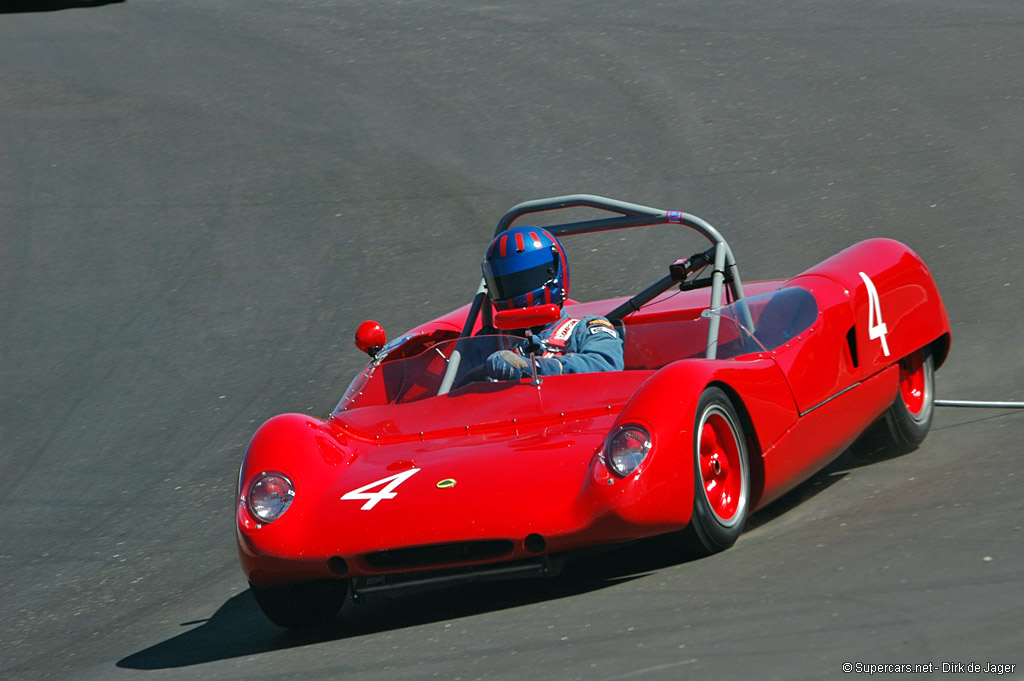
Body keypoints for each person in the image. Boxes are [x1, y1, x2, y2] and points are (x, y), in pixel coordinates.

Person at [477, 225, 624, 380]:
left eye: (527, 278)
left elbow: (605, 366)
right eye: (506, 283)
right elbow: (453, 383)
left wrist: (535, 367)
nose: (516, 289)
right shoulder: (487, 342)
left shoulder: (586, 330)